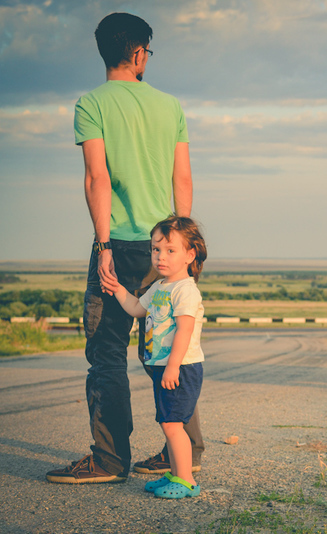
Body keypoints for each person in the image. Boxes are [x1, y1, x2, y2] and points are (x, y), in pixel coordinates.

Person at [46, 12, 203, 485]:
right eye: (147, 53)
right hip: (165, 247)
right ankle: (186, 450)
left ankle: (110, 460)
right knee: (170, 342)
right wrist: (182, 248)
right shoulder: (170, 106)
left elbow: (97, 178)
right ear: (137, 54)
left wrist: (103, 243)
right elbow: (182, 179)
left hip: (118, 243)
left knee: (108, 352)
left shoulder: (91, 103)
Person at [109, 216, 207, 499]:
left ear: (190, 255)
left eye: (170, 250)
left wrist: (173, 367)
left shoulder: (185, 290)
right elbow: (136, 309)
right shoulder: (160, 287)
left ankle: (186, 481)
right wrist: (117, 288)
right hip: (165, 367)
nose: (160, 256)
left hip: (181, 367)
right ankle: (177, 474)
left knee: (173, 424)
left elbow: (184, 331)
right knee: (168, 422)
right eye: (156, 249)